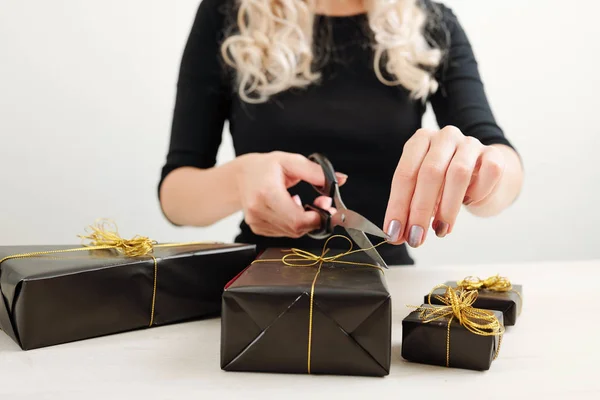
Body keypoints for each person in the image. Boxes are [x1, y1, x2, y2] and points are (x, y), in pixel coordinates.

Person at [158, 0, 524, 265]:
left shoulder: (432, 22)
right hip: (257, 288)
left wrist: (480, 172)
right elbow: (175, 196)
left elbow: (501, 159)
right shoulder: (226, 14)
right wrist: (239, 179)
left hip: (389, 289)